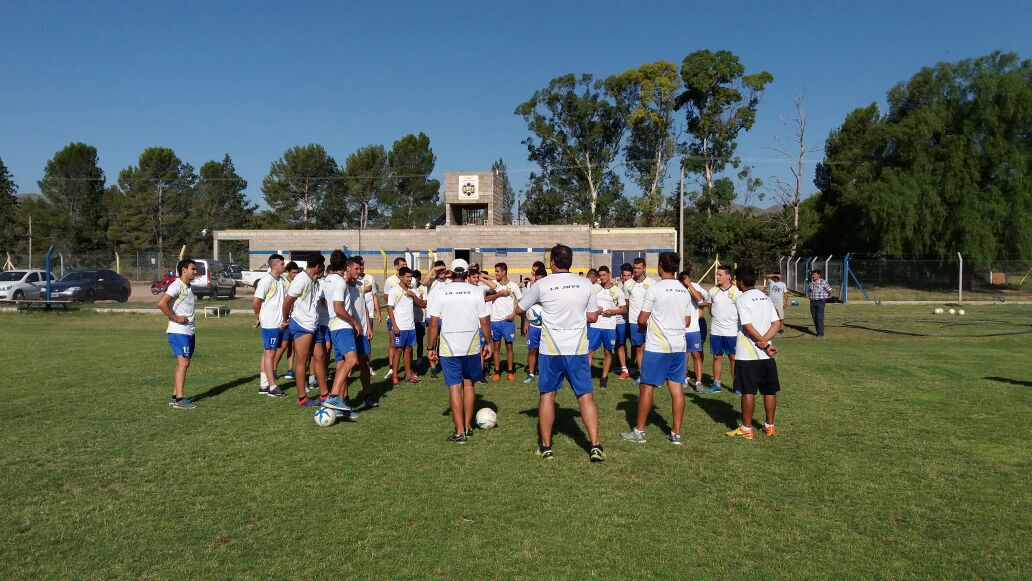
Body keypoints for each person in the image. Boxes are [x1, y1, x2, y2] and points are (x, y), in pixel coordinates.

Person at [515, 244, 606, 462]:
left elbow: (519, 309)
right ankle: (595, 445)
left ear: (552, 262)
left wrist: (539, 310)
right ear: (571, 262)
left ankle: (546, 446)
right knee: (585, 396)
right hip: (577, 350)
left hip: (551, 350)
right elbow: (593, 317)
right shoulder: (585, 284)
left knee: (547, 395)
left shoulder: (543, 284)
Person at [621, 252, 692, 444]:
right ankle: (676, 433)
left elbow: (641, 319)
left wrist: (645, 324)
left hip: (657, 346)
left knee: (646, 387)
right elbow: (687, 320)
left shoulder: (654, 288)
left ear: (660, 266)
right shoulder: (684, 290)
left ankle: (639, 432)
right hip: (678, 346)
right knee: (676, 387)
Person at [427, 259, 492, 443]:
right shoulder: (476, 291)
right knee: (469, 383)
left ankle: (460, 432)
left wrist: (431, 347)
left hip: (449, 346)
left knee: (455, 387)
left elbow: (433, 324)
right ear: (466, 272)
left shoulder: (440, 292)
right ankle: (468, 426)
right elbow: (484, 321)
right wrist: (488, 343)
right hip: (471, 345)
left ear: (451, 272)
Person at [726, 265, 782, 439]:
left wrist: (762, 344)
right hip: (766, 356)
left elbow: (747, 326)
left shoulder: (742, 299)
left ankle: (746, 429)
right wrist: (766, 343)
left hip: (748, 354)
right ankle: (769, 426)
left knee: (748, 391)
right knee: (769, 390)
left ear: (740, 282)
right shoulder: (765, 298)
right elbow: (777, 324)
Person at [323, 253, 368, 416]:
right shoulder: (340, 282)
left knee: (341, 364)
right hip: (342, 326)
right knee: (352, 359)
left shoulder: (327, 279)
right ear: (345, 266)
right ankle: (333, 396)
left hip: (334, 327)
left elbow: (325, 302)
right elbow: (338, 308)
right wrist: (355, 322)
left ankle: (340, 405)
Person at [282, 255, 326, 406]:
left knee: (320, 357)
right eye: (323, 267)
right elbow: (288, 301)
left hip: (314, 324)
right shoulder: (301, 279)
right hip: (302, 325)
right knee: (302, 359)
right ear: (318, 266)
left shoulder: (313, 280)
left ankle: (325, 395)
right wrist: (285, 318)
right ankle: (302, 398)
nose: (323, 271)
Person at [158, 258, 198, 409]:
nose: (195, 271)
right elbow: (161, 303)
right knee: (184, 363)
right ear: (184, 270)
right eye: (193, 269)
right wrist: (176, 318)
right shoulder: (177, 285)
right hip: (178, 331)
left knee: (184, 364)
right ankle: (180, 400)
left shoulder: (188, 286)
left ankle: (174, 397)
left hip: (188, 331)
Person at [252, 253, 288, 398]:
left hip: (278, 323)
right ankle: (272, 386)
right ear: (274, 266)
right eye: (282, 264)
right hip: (270, 323)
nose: (284, 266)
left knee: (267, 352)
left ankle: (264, 384)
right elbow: (256, 301)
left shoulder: (280, 280)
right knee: (270, 353)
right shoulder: (266, 280)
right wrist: (258, 317)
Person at [480, 262, 522, 382]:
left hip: (507, 321)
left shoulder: (513, 286)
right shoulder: (494, 286)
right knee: (496, 347)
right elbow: (486, 299)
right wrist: (498, 294)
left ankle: (510, 372)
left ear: (504, 272)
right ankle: (497, 372)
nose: (495, 273)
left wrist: (514, 314)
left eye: (497, 271)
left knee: (509, 347)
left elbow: (521, 301)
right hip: (495, 321)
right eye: (495, 271)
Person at [589, 266, 626, 389]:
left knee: (607, 352)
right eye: (600, 275)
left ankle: (603, 377)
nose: (602, 278)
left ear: (609, 274)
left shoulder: (617, 291)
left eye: (604, 275)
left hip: (609, 327)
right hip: (595, 325)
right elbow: (586, 302)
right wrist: (595, 307)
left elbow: (624, 309)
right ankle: (586, 376)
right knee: (589, 351)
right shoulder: (594, 288)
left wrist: (613, 311)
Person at [387, 267, 426, 385]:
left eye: (411, 277)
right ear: (401, 276)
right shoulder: (394, 290)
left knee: (408, 349)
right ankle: (394, 375)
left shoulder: (411, 290)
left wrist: (413, 295)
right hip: (400, 326)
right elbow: (390, 308)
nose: (410, 279)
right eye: (407, 277)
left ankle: (408, 375)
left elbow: (421, 305)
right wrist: (394, 325)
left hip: (410, 326)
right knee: (398, 350)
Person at [706, 265, 739, 395]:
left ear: (728, 276)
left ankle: (737, 386)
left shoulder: (737, 292)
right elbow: (710, 309)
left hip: (732, 331)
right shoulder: (713, 291)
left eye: (720, 275)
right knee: (716, 357)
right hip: (716, 331)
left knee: (733, 358)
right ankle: (717, 384)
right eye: (717, 274)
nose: (717, 277)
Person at [624, 257, 656, 377]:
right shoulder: (627, 284)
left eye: (638, 268)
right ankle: (643, 375)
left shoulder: (652, 283)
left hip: (650, 321)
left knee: (651, 348)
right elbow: (626, 304)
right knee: (638, 348)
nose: (636, 270)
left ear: (644, 268)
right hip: (634, 321)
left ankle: (652, 373)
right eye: (635, 268)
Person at [679, 269, 707, 394]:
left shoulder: (694, 286)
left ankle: (699, 382)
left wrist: (689, 285)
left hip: (694, 329)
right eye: (683, 280)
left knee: (696, 355)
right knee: (683, 355)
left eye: (686, 279)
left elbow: (699, 299)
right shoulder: (677, 288)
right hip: (680, 328)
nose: (684, 282)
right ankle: (684, 380)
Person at [522, 261, 546, 384]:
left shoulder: (548, 286)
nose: (533, 274)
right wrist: (526, 322)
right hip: (534, 325)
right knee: (532, 350)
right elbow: (528, 305)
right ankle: (531, 374)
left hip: (546, 325)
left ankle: (543, 372)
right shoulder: (531, 286)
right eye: (533, 272)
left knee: (545, 351)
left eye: (535, 272)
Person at [383, 256, 407, 378]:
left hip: (407, 318)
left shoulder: (410, 279)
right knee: (393, 343)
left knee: (407, 345)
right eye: (402, 264)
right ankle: (392, 368)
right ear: (396, 267)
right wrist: (396, 298)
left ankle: (408, 368)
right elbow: (386, 297)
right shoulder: (390, 281)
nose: (404, 266)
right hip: (393, 317)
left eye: (405, 264)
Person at [282, 261, 302, 382]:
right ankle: (272, 370)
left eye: (297, 272)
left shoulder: (297, 282)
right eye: (293, 272)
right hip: (285, 318)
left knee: (293, 345)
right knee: (283, 345)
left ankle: (290, 369)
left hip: (294, 318)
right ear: (287, 272)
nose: (296, 274)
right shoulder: (283, 283)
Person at [807, 269, 833, 339]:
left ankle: (820, 333)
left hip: (821, 302)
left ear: (819, 275)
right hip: (812, 302)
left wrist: (826, 297)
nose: (813, 276)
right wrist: (810, 297)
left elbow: (829, 291)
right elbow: (809, 291)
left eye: (815, 274)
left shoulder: (823, 282)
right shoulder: (810, 283)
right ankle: (818, 331)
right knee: (814, 317)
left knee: (819, 317)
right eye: (813, 274)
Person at [412, 269, 427, 363]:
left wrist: (416, 301)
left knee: (420, 340)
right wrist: (418, 301)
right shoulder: (409, 287)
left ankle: (419, 359)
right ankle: (409, 360)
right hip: (410, 319)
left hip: (420, 318)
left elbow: (423, 303)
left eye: (416, 280)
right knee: (409, 343)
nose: (414, 282)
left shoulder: (423, 288)